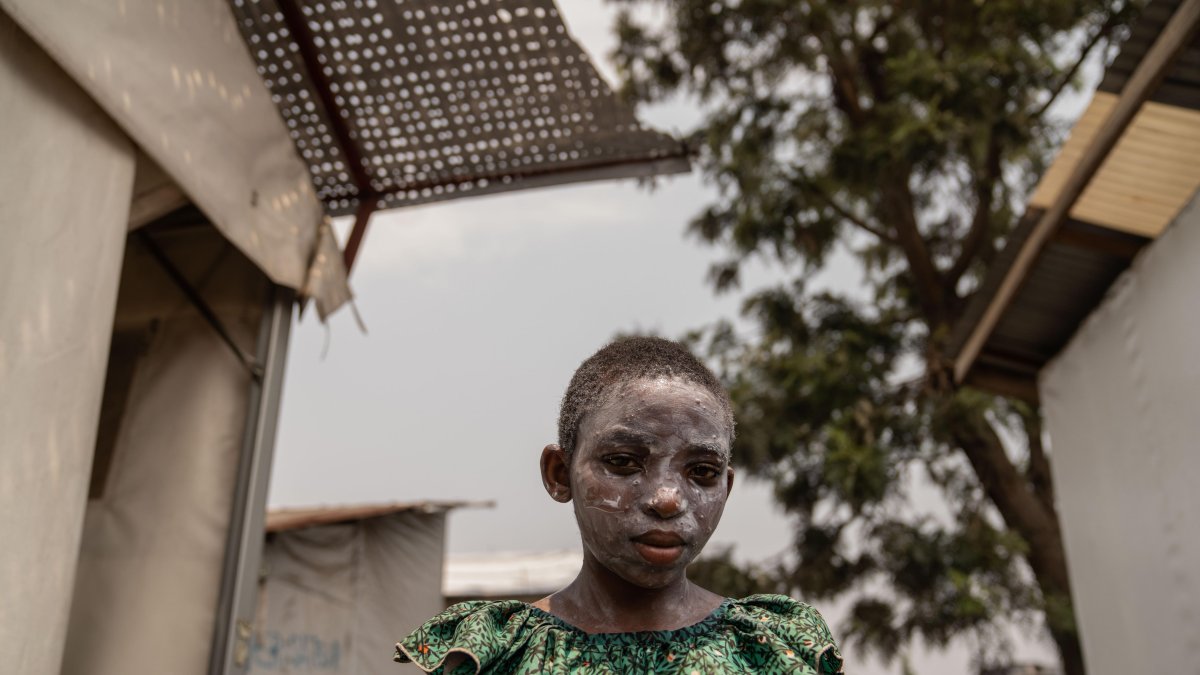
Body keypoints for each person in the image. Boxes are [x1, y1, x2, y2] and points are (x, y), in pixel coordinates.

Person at [395, 337, 843, 673]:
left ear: (726, 486)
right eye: (624, 462)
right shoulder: (495, 654)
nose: (668, 500)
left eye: (702, 472)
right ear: (558, 473)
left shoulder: (772, 649)